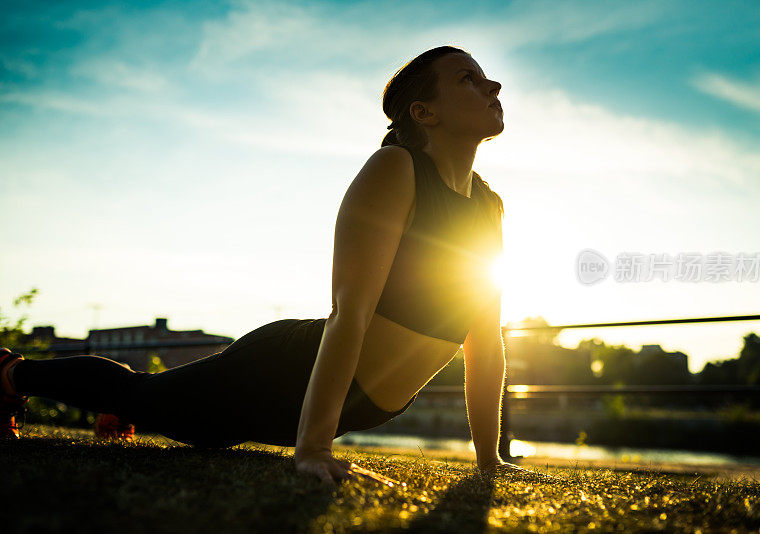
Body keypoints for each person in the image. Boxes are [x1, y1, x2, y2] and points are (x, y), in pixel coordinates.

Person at [0, 45, 531, 485]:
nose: (494, 88)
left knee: (175, 418)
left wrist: (490, 461)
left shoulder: (489, 207)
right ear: (423, 112)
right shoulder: (397, 168)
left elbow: (485, 341)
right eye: (469, 79)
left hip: (356, 405)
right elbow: (351, 311)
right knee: (145, 398)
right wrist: (313, 449)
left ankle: (128, 407)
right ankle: (11, 375)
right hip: (281, 373)